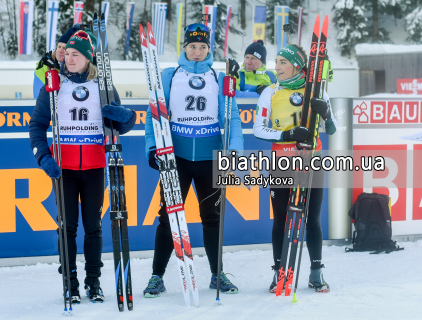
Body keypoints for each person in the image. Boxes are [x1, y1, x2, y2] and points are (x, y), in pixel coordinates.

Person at [29, 29, 136, 303]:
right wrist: (44, 157)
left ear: (88, 58)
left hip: (93, 169)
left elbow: (121, 125)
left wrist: (126, 118)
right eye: (68, 54)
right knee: (66, 228)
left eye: (77, 55)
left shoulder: (103, 86)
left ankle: (93, 282)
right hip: (63, 169)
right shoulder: (53, 85)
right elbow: (37, 126)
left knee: (93, 228)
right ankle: (70, 283)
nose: (70, 58)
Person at [143, 23, 244, 298]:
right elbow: (154, 112)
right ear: (184, 48)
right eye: (192, 47)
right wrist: (153, 147)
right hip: (177, 158)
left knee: (213, 218)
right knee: (169, 218)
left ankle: (217, 273)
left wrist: (234, 150)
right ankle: (156, 276)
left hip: (210, 158)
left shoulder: (218, 77)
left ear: (208, 50)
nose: (197, 52)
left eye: (202, 47)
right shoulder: (170, 75)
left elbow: (232, 117)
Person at [252, 44, 337, 293]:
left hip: (312, 161)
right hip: (282, 163)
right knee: (281, 220)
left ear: (296, 66)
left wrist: (327, 115)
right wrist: (286, 133)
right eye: (276, 62)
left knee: (312, 220)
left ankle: (316, 273)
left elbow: (332, 130)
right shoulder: (270, 91)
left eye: (282, 63)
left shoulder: (317, 91)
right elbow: (258, 129)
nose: (276, 67)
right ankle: (279, 272)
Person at [32, 24, 81, 99]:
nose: (60, 51)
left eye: (64, 48)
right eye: (59, 46)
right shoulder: (44, 66)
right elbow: (42, 99)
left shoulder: (79, 67)